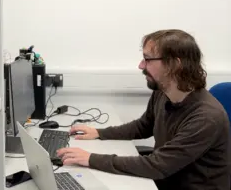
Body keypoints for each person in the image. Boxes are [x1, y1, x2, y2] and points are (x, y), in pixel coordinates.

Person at [57, 29, 230, 190]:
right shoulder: (163, 92)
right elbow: (143, 126)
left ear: (175, 65)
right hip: (163, 179)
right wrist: (100, 132)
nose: (140, 65)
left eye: (147, 59)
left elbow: (158, 165)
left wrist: (90, 159)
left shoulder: (206, 117)